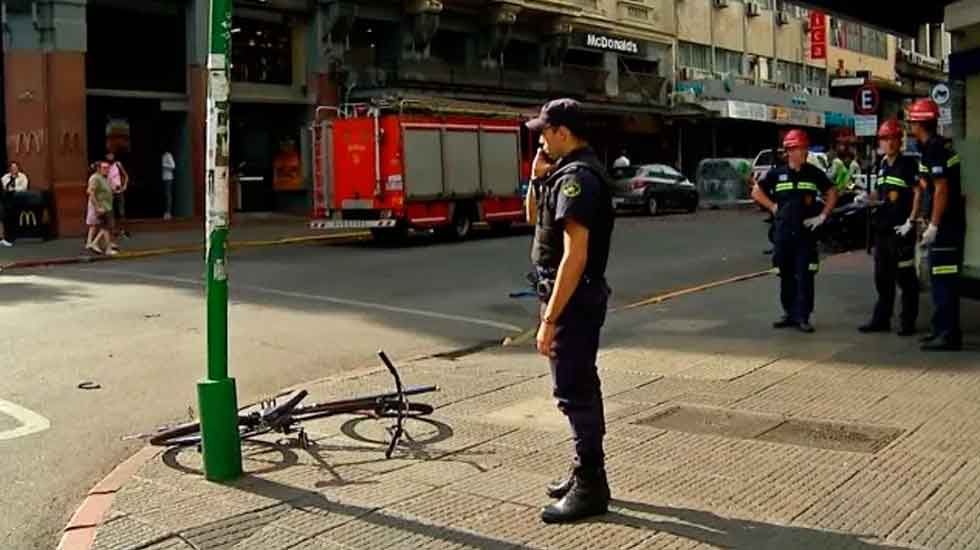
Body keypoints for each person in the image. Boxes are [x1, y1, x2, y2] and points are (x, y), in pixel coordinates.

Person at [524, 98, 615, 524]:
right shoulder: (561, 175)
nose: (540, 138)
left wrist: (549, 320)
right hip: (570, 299)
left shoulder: (578, 178)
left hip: (573, 303)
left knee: (574, 392)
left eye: (545, 131)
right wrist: (535, 178)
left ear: (563, 132)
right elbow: (531, 219)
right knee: (579, 386)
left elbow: (574, 256)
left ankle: (591, 485)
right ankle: (586, 472)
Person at [751, 129, 838, 333]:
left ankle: (803, 316)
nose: (803, 153)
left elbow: (832, 192)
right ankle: (789, 313)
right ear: (790, 151)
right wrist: (772, 207)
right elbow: (756, 191)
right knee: (785, 274)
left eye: (804, 149)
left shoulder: (813, 173)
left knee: (805, 275)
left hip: (805, 235)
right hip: (782, 234)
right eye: (799, 149)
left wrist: (823, 216)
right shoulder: (776, 174)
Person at [909, 98, 965, 351]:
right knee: (937, 279)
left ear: (919, 124)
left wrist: (934, 225)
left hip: (946, 228)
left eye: (912, 121)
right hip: (946, 224)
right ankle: (939, 329)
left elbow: (942, 189)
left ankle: (948, 335)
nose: (910, 125)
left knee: (944, 281)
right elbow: (930, 185)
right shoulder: (933, 147)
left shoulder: (934, 149)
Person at [859, 119, 921, 336]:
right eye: (885, 139)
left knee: (906, 278)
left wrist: (911, 221)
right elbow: (880, 192)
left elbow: (918, 193)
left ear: (899, 141)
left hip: (901, 230)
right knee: (882, 278)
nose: (890, 143)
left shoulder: (908, 165)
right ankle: (881, 319)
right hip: (883, 230)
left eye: (893, 138)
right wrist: (867, 198)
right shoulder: (883, 164)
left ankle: (907, 322)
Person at [86, 161, 117, 255]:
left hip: (107, 206)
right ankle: (98, 245)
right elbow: (91, 193)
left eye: (108, 168)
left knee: (106, 227)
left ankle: (99, 244)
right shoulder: (95, 178)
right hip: (102, 206)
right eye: (104, 168)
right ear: (98, 169)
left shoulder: (104, 178)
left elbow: (107, 190)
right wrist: (97, 207)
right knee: (105, 227)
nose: (107, 169)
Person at [0, 161, 28, 247]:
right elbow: (4, 187)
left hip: (19, 199)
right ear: (10, 169)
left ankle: (9, 238)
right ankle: (4, 238)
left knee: (9, 211)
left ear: (18, 168)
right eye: (12, 168)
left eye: (15, 167)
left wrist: (14, 189)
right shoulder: (5, 177)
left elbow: (24, 188)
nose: (14, 169)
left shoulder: (22, 176)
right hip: (7, 199)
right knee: (4, 211)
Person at [106, 152, 130, 238]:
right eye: (108, 155)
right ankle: (113, 231)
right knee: (110, 211)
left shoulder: (118, 164)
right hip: (110, 192)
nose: (110, 156)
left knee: (121, 211)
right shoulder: (105, 166)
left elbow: (126, 175)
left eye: (111, 155)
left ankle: (123, 230)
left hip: (119, 191)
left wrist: (125, 186)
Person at [162, 150, 176, 220]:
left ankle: (168, 212)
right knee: (166, 195)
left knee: (168, 195)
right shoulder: (164, 155)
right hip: (165, 177)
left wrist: (164, 165)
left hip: (168, 178)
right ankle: (167, 212)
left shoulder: (168, 155)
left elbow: (173, 166)